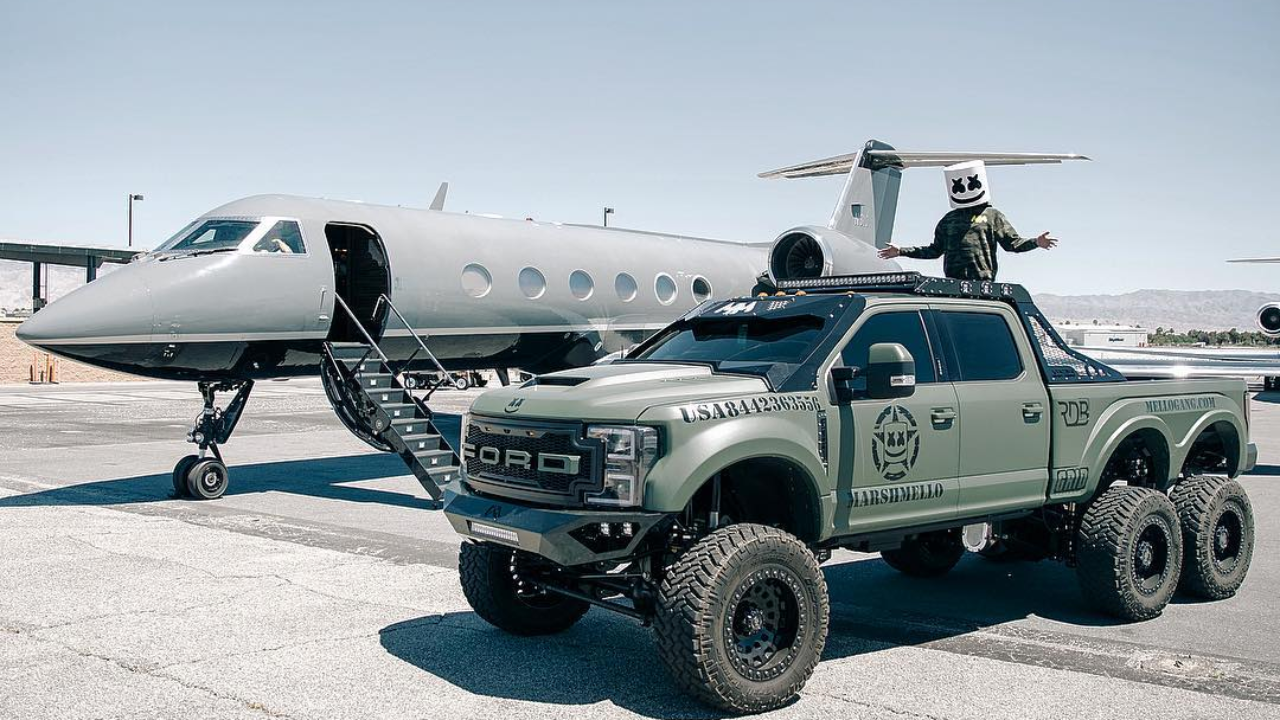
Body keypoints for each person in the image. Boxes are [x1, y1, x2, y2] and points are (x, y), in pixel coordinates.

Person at [878, 160, 1056, 281]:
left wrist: (1036, 242)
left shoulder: (992, 215)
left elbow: (1012, 244)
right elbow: (934, 250)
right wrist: (901, 251)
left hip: (983, 284)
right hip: (953, 283)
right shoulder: (949, 220)